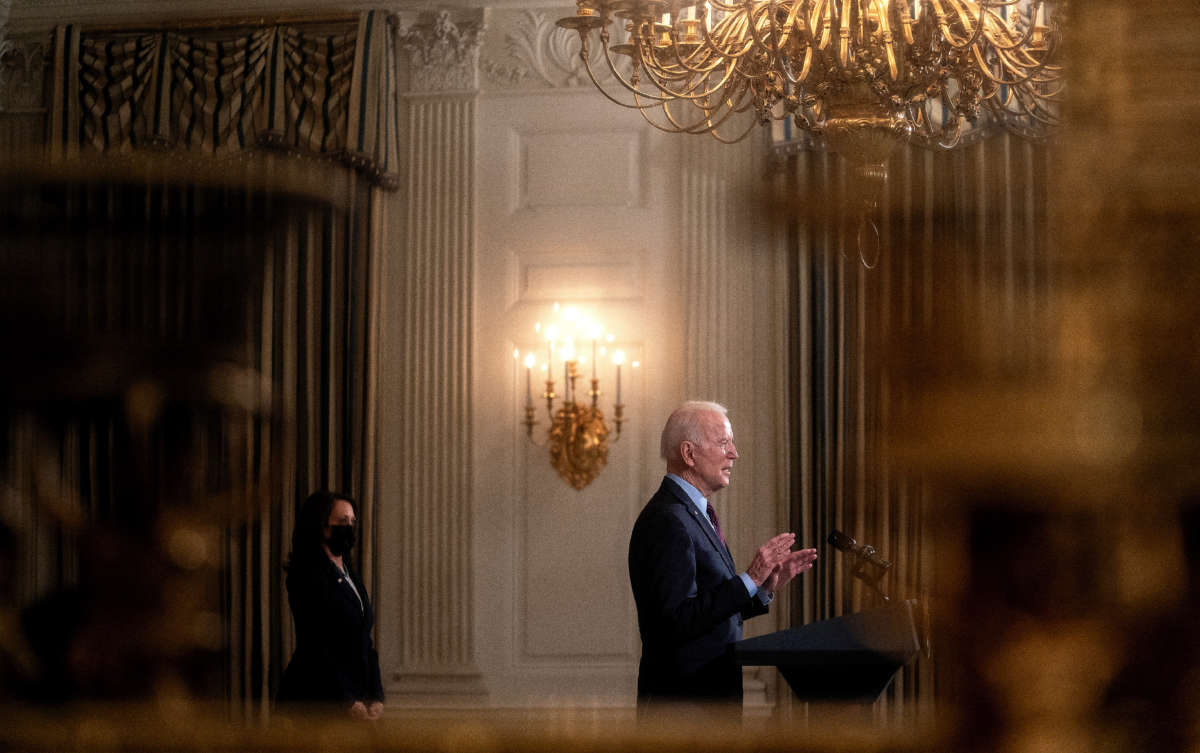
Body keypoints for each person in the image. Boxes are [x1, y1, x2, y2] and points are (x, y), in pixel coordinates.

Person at [629, 401, 817, 709]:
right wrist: (749, 578)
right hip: (683, 710)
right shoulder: (667, 520)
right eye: (723, 443)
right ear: (689, 454)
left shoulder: (694, 514)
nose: (734, 453)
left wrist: (762, 587)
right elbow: (676, 622)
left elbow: (711, 614)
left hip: (709, 703)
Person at [278, 491, 384, 719]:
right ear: (322, 526)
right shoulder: (306, 576)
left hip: (357, 699)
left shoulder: (351, 575)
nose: (350, 527)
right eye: (342, 521)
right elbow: (318, 644)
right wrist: (347, 699)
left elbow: (365, 641)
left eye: (353, 522)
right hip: (317, 699)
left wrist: (376, 696)